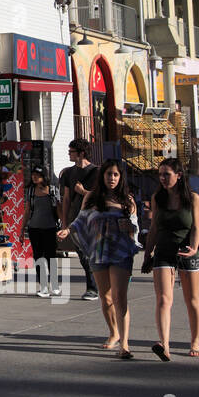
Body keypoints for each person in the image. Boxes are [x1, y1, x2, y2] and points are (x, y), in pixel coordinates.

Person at [57, 159, 141, 359]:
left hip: (121, 252)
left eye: (115, 175)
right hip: (98, 251)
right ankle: (114, 333)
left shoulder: (127, 200)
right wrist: (67, 230)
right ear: (102, 176)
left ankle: (125, 344)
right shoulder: (92, 198)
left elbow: (136, 226)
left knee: (120, 297)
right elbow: (81, 219)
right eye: (108, 174)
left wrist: (130, 228)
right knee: (106, 297)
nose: (111, 178)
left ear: (120, 178)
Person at [146, 157, 199, 360]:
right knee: (163, 299)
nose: (162, 178)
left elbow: (196, 226)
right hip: (163, 251)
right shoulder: (157, 198)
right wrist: (147, 254)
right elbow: (153, 228)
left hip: (187, 251)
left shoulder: (193, 199)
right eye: (160, 174)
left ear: (179, 176)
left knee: (192, 300)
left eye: (167, 174)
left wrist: (194, 248)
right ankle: (165, 345)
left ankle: (195, 341)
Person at [58, 138, 101, 302]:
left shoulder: (97, 172)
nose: (69, 154)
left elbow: (100, 197)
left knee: (91, 253)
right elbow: (67, 198)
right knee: (82, 254)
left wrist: (83, 192)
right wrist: (64, 221)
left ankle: (93, 287)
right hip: (75, 219)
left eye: (71, 151)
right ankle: (94, 285)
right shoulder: (68, 173)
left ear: (81, 153)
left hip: (93, 219)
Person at [25, 167, 62, 298]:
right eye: (33, 175)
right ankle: (43, 286)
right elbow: (27, 211)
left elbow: (59, 209)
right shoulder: (30, 191)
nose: (34, 177)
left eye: (37, 175)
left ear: (44, 176)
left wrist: (63, 227)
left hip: (50, 228)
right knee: (38, 257)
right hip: (34, 228)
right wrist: (22, 229)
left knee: (50, 256)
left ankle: (55, 284)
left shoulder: (52, 190)